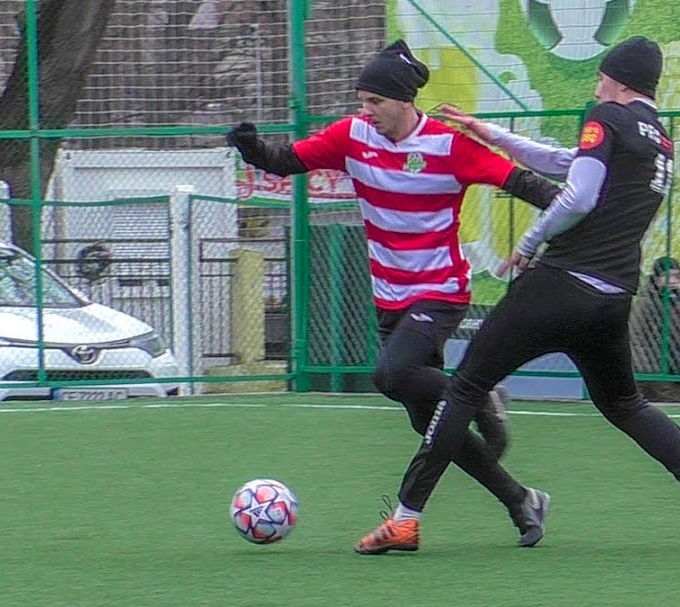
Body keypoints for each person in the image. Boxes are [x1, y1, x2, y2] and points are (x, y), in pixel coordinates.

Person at [355, 36, 680, 555]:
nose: (596, 86)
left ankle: (406, 519)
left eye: (601, 77)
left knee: (466, 387)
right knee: (626, 405)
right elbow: (567, 161)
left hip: (561, 283)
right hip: (613, 295)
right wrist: (487, 132)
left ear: (619, 81)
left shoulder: (606, 115)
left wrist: (529, 240)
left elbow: (580, 193)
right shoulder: (659, 139)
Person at [226, 40, 560, 546]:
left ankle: (480, 396)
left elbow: (522, 182)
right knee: (432, 425)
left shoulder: (448, 146)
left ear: (404, 101)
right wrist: (251, 147)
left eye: (374, 102)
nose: (365, 111)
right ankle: (522, 501)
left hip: (440, 291)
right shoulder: (351, 136)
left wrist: (572, 212)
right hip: (391, 300)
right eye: (361, 101)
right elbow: (286, 161)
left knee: (392, 375)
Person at [631, 256, 680, 403]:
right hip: (654, 369)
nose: (672, 281)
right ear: (657, 278)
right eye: (667, 276)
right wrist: (647, 371)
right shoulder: (645, 302)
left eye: (676, 276)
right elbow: (635, 337)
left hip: (677, 366)